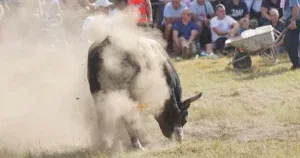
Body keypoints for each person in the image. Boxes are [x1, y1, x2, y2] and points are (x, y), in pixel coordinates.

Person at [282, 0, 300, 70]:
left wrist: (293, 21)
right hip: (291, 20)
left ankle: (297, 64)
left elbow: (296, 6)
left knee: (291, 44)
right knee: (290, 43)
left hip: (293, 21)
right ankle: (296, 63)